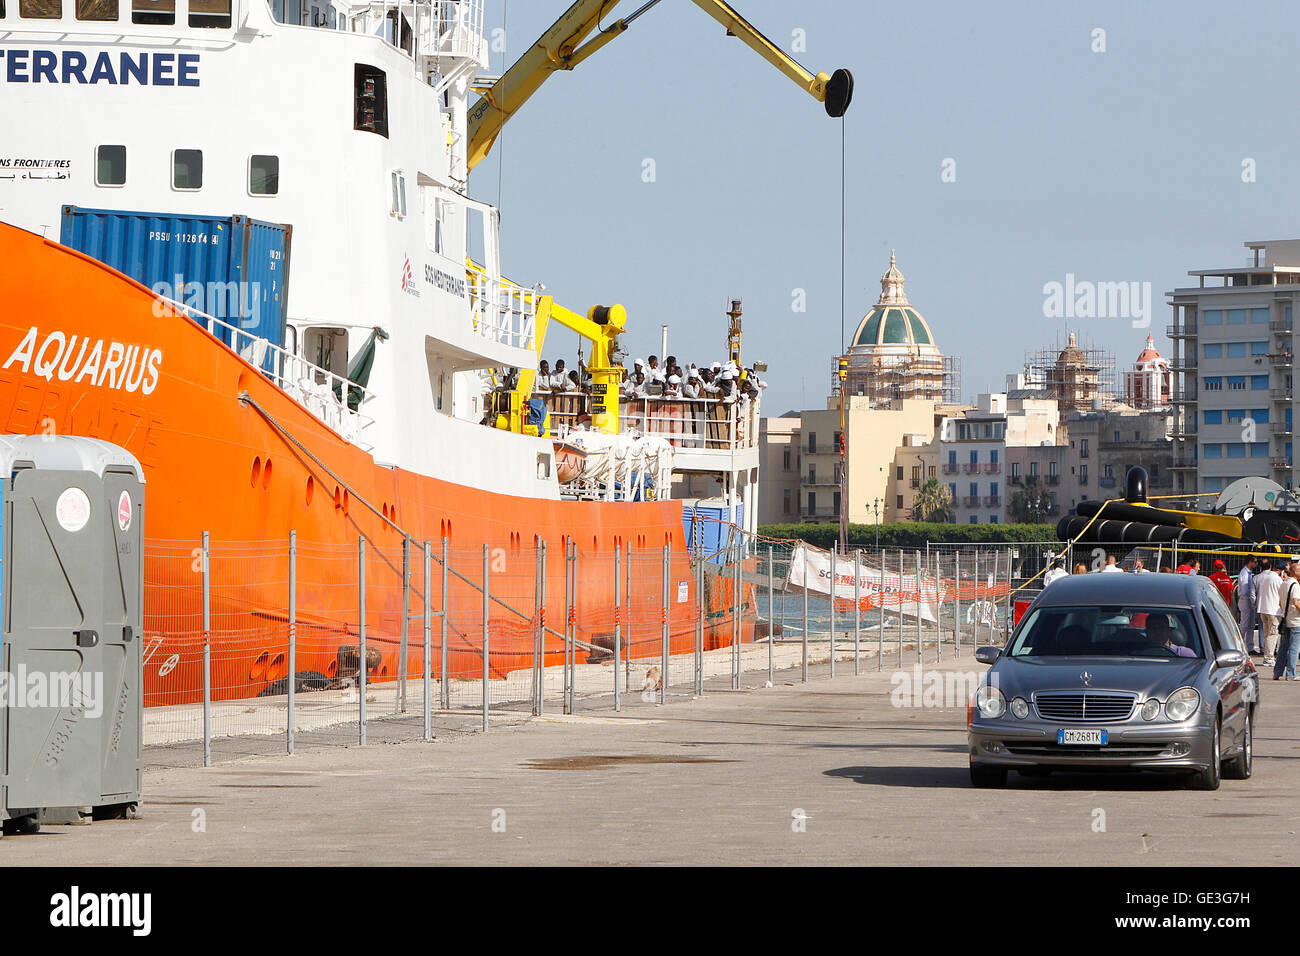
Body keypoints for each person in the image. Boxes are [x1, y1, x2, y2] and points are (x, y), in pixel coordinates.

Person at [1255, 557, 1282, 666]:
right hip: (1273, 610)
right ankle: (1269, 657)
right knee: (1273, 634)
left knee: (1267, 634)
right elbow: (1282, 594)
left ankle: (1267, 656)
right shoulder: (1278, 579)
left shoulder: (1262, 578)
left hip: (1263, 608)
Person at [1279, 563, 1300, 681]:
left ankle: (1277, 672)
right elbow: (1296, 602)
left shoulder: (1284, 583)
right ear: (1295, 572)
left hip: (1285, 619)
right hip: (1295, 621)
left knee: (1283, 647)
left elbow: (1280, 603)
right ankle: (1291, 673)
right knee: (1294, 647)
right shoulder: (1295, 585)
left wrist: (1284, 612)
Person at [1238, 556, 1260, 654]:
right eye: (1255, 562)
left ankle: (1250, 647)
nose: (1256, 564)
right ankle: (1238, 645)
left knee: (1251, 625)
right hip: (1245, 599)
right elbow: (1244, 589)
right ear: (1250, 562)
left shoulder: (1249, 573)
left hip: (1249, 600)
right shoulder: (1244, 573)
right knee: (1244, 624)